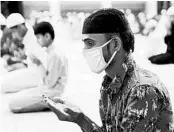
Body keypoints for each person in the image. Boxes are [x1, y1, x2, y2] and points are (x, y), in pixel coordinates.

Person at [43, 8, 174, 132]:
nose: (85, 51)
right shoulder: (110, 84)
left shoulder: (142, 90)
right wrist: (80, 118)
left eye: (90, 43)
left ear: (115, 44)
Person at [8, 21, 68, 113]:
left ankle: (51, 103)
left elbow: (50, 83)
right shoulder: (51, 52)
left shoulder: (55, 55)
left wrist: (39, 64)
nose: (37, 41)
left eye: (38, 38)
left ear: (47, 36)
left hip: (52, 93)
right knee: (17, 97)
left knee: (13, 104)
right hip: (46, 89)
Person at [1, 13, 47, 93]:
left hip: (38, 76)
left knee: (2, 84)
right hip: (32, 71)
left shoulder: (34, 38)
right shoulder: (27, 36)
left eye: (14, 32)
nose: (14, 35)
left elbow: (44, 63)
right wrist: (23, 58)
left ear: (20, 27)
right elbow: (32, 58)